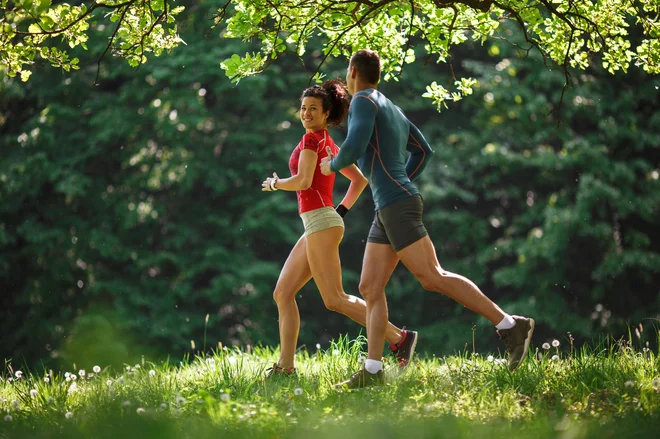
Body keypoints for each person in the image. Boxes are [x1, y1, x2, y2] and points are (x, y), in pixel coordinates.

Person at [320, 50, 535, 388]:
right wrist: (400, 182)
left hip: (396, 203)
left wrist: (331, 165)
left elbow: (353, 144)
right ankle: (373, 370)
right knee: (370, 286)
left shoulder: (363, 101)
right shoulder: (391, 106)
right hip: (390, 204)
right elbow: (424, 151)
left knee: (433, 276)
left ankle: (510, 325)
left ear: (352, 71)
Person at [261, 79, 418, 377]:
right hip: (320, 223)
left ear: (326, 114)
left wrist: (275, 183)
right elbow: (359, 181)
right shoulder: (329, 143)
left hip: (321, 222)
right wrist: (341, 211)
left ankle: (399, 338)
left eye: (313, 109)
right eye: (303, 108)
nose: (306, 113)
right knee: (282, 293)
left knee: (335, 299)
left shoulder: (312, 141)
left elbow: (304, 181)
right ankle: (286, 366)